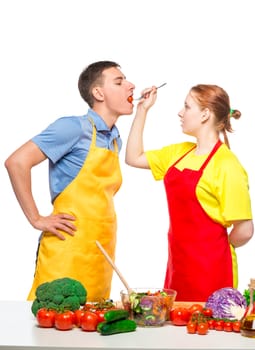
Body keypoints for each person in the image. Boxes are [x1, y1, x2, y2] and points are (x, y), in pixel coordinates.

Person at [5, 60, 135, 301]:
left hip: (101, 254)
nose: (131, 86)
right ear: (98, 93)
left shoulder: (115, 139)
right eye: (119, 81)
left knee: (92, 330)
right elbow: (17, 162)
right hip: (67, 249)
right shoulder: (74, 127)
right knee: (53, 323)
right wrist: (36, 218)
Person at [125, 84, 254, 301]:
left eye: (187, 106)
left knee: (210, 327)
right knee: (174, 325)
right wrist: (142, 110)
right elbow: (133, 157)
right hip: (178, 264)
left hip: (212, 270)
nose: (180, 112)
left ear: (205, 114)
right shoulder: (179, 152)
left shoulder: (226, 164)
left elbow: (245, 230)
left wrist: (214, 248)